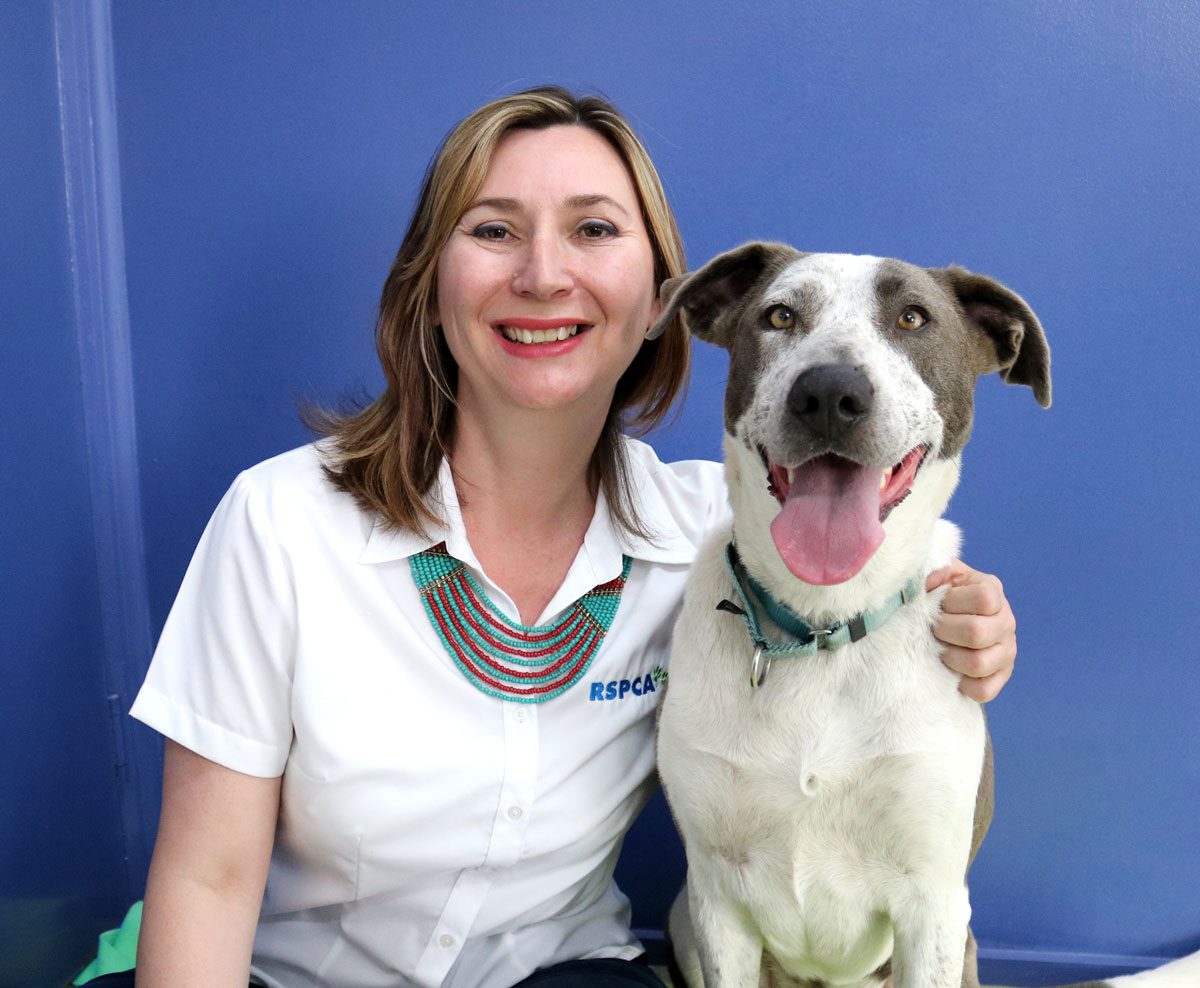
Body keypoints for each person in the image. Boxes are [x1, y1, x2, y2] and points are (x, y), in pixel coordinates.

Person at [126, 87, 1017, 988]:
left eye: (594, 231)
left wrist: (976, 620)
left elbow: (873, 560)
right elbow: (209, 876)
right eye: (493, 230)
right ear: (430, 287)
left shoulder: (726, 537)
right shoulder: (282, 522)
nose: (544, 275)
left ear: (660, 298)